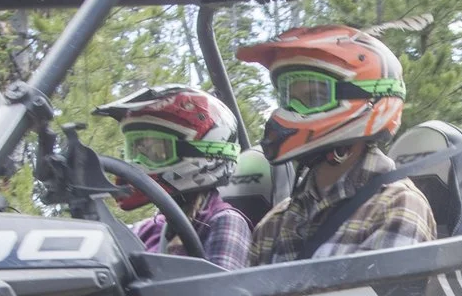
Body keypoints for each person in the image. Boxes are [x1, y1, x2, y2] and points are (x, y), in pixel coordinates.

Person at [235, 25, 437, 263]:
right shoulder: (275, 223)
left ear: (366, 99)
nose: (290, 113)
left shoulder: (396, 207)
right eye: (288, 99)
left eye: (312, 98)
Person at [92, 85, 253, 270]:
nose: (137, 164)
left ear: (204, 154)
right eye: (135, 150)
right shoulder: (149, 229)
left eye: (155, 150)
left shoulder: (224, 222)